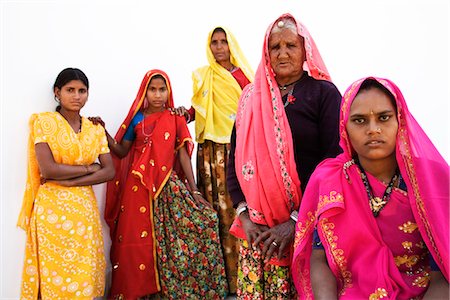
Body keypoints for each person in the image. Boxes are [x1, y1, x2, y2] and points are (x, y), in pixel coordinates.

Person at [292, 77, 449, 299]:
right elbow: (319, 259)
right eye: (359, 120)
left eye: (384, 118)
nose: (373, 130)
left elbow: (444, 275)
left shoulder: (431, 181)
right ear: (344, 127)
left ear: (400, 121)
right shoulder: (331, 180)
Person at [227, 13, 342, 299]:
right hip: (258, 234)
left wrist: (294, 221)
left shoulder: (323, 94)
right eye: (274, 47)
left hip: (309, 227)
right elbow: (235, 161)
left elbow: (336, 160)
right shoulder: (250, 99)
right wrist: (245, 217)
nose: (282, 53)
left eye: (291, 45)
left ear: (306, 49)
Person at [91, 69, 227, 299]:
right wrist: (103, 133)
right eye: (152, 90)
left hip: (167, 185)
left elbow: (183, 155)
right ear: (145, 92)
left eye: (162, 89)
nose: (157, 95)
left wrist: (193, 191)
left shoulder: (175, 117)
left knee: (206, 221)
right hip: (139, 187)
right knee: (138, 240)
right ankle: (143, 290)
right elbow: (122, 151)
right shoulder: (137, 118)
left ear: (168, 91)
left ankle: (181, 289)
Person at [17, 67, 115, 299]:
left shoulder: (94, 129)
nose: (76, 96)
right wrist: (89, 169)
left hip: (84, 211)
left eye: (82, 90)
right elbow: (48, 168)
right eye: (70, 90)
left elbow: (109, 171)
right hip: (53, 212)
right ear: (57, 92)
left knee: (84, 275)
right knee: (57, 276)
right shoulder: (45, 122)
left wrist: (70, 182)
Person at [177, 26, 254, 294]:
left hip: (237, 150)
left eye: (223, 42)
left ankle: (243, 280)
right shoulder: (204, 76)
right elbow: (199, 111)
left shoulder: (246, 76)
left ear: (232, 44)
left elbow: (254, 110)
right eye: (214, 43)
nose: (219, 47)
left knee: (237, 209)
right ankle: (218, 280)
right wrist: (182, 114)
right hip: (209, 151)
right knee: (215, 211)